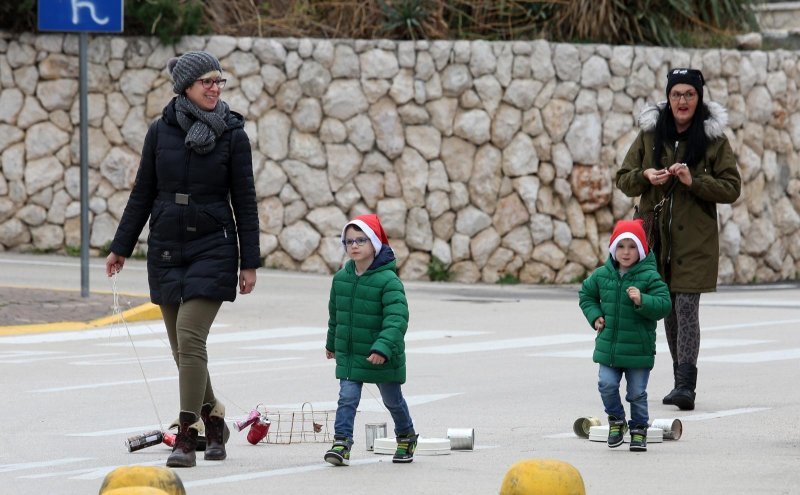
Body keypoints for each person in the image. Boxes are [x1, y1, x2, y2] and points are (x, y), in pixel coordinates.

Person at [104, 51, 260, 467]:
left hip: (215, 246)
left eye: (219, 82)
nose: (215, 88)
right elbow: (143, 193)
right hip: (168, 248)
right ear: (186, 86)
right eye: (207, 81)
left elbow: (245, 202)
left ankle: (186, 435)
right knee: (182, 351)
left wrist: (250, 262)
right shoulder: (161, 131)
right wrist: (121, 246)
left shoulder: (232, 135)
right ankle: (216, 421)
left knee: (190, 338)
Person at [616, 68, 741, 411]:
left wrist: (694, 180)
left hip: (695, 242)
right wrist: (645, 176)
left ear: (699, 98)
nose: (682, 101)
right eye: (676, 95)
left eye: (689, 94)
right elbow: (623, 179)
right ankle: (678, 381)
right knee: (667, 309)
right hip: (657, 240)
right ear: (668, 98)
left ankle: (687, 385)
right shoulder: (650, 135)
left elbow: (732, 187)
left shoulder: (713, 140)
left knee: (686, 307)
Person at [323, 214, 417, 466]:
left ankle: (406, 436)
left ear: (374, 243)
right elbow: (336, 315)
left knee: (392, 400)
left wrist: (383, 347)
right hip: (352, 354)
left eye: (360, 240)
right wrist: (331, 342)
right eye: (348, 241)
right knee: (347, 398)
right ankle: (341, 443)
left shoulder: (389, 281)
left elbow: (397, 319)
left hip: (381, 355)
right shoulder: (341, 279)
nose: (354, 246)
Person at [579, 219, 672, 452]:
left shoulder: (650, 277)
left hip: (638, 349)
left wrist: (643, 300)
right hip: (609, 347)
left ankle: (639, 427)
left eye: (632, 246)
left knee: (637, 393)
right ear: (613, 249)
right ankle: (617, 421)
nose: (626, 252)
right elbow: (586, 295)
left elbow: (664, 304)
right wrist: (595, 315)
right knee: (606, 385)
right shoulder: (602, 275)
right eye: (621, 246)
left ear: (641, 249)